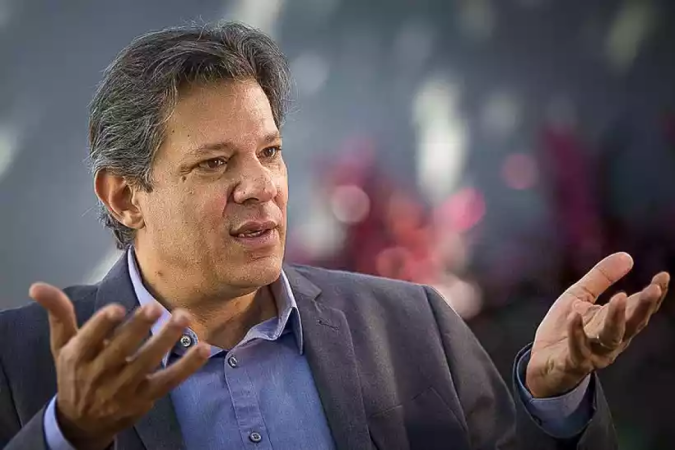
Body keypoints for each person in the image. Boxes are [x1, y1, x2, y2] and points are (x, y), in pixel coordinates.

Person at [0, 23, 668, 450]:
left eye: (269, 152)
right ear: (125, 197)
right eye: (214, 163)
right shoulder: (18, 364)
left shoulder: (413, 324)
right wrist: (69, 435)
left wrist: (551, 397)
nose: (259, 185)